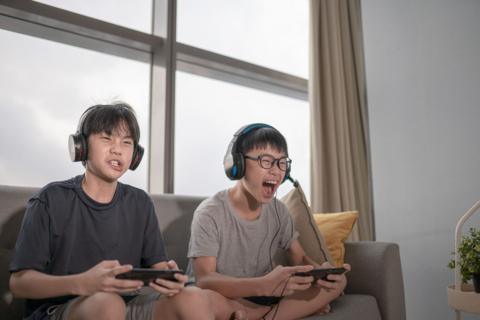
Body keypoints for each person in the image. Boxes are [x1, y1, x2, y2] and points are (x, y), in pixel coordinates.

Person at [9, 103, 243, 320]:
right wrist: (82, 283)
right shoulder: (51, 198)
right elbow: (19, 283)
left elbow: (158, 267)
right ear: (81, 146)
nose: (117, 150)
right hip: (60, 310)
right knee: (108, 303)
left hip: (126, 305)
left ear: (135, 155)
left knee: (192, 297)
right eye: (106, 138)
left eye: (126, 142)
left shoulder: (140, 202)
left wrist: (169, 277)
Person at [188, 123, 350, 320]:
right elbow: (205, 279)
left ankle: (258, 315)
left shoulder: (279, 211)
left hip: (266, 297)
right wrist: (262, 285)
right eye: (266, 161)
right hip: (225, 295)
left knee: (340, 283)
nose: (276, 171)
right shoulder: (209, 213)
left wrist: (322, 273)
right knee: (206, 301)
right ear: (237, 164)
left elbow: (299, 259)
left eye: (282, 163)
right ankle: (274, 313)